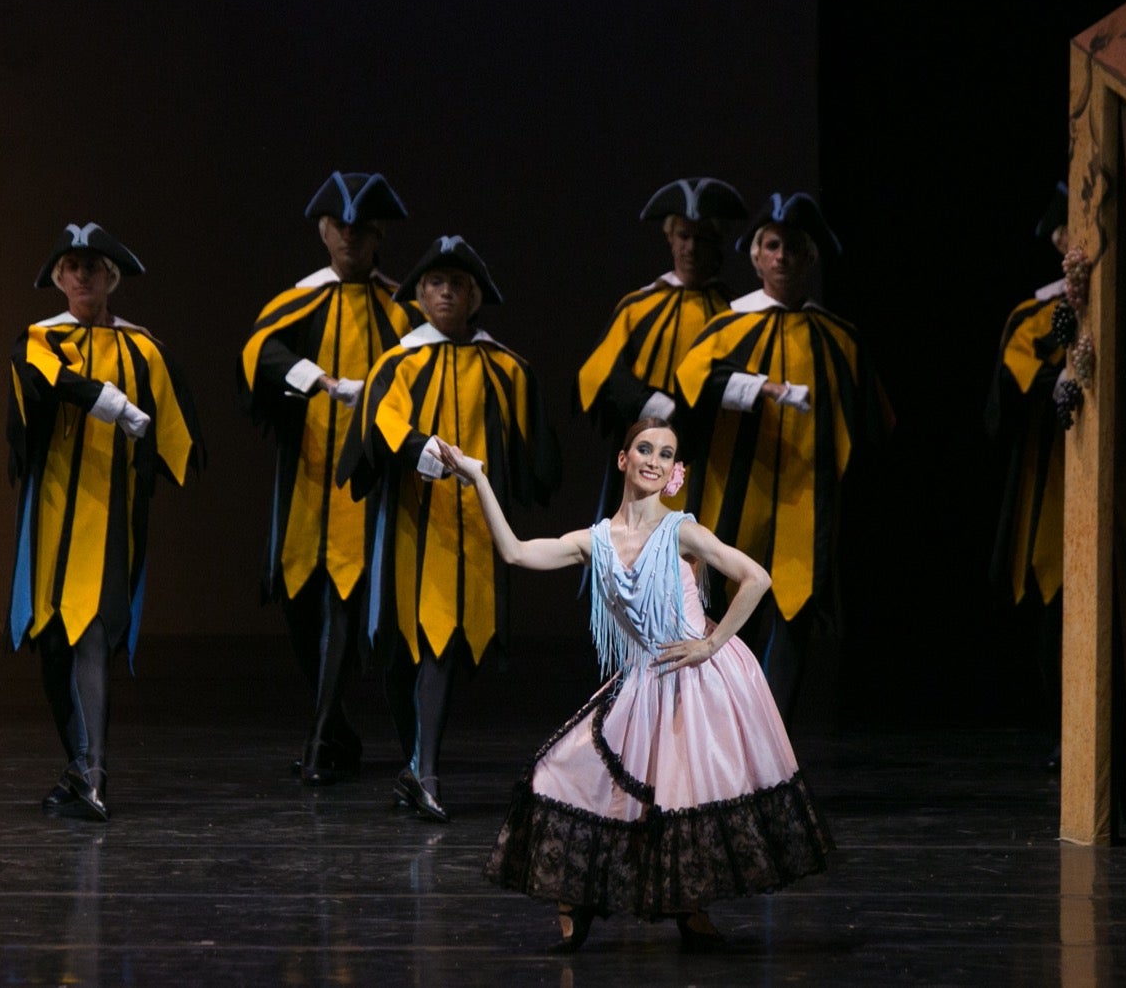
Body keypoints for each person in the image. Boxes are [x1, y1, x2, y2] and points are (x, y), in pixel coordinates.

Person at [456, 418, 830, 951]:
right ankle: (581, 898)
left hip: (699, 680)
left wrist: (709, 643)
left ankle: (689, 909)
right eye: (645, 449)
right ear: (624, 460)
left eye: (666, 454)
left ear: (673, 471)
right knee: (565, 773)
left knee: (684, 794)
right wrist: (477, 478)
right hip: (645, 680)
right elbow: (516, 552)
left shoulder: (682, 531)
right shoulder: (596, 541)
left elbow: (757, 578)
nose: (654, 459)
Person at [337, 235, 560, 823]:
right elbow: (378, 428)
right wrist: (420, 450)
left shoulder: (505, 367)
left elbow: (535, 454)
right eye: (434, 282)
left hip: (471, 536)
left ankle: (425, 768)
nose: (444, 292)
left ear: (475, 296)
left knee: (441, 645)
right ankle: (416, 764)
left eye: (456, 284)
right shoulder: (398, 363)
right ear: (417, 294)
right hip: (410, 528)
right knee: (400, 651)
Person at [7, 222, 202, 821]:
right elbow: (38, 379)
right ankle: (79, 764)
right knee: (51, 642)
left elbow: (178, 439)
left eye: (93, 266)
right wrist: (107, 401)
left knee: (92, 633)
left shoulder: (144, 350)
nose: (82, 274)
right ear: (60, 278)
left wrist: (147, 455)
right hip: (51, 511)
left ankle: (95, 773)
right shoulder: (39, 338)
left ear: (110, 277)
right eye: (72, 266)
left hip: (109, 513)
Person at [675, 193, 892, 720]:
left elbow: (872, 425)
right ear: (754, 256)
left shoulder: (840, 338)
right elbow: (692, 389)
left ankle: (769, 736)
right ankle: (725, 737)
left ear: (810, 258)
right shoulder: (728, 327)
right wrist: (758, 390)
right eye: (772, 246)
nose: (782, 257)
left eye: (794, 248)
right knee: (731, 612)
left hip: (806, 500)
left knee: (794, 616)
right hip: (737, 494)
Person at [239, 171, 415, 785]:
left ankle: (319, 740)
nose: (349, 238)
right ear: (322, 231)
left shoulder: (401, 306)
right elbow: (259, 352)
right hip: (307, 474)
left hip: (365, 480)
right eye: (339, 226)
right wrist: (318, 380)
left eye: (361, 229)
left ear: (379, 235)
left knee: (345, 596)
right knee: (295, 601)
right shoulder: (301, 298)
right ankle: (336, 725)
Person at [574, 177, 747, 515]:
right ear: (669, 238)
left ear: (719, 244)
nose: (691, 248)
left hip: (712, 462)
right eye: (683, 236)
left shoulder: (736, 315)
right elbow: (603, 373)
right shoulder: (637, 308)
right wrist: (654, 405)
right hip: (643, 458)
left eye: (703, 238)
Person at [986, 182, 1068, 765]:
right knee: (1050, 607)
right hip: (1051, 484)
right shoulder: (1039, 315)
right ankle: (1069, 729)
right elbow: (1009, 393)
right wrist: (1060, 378)